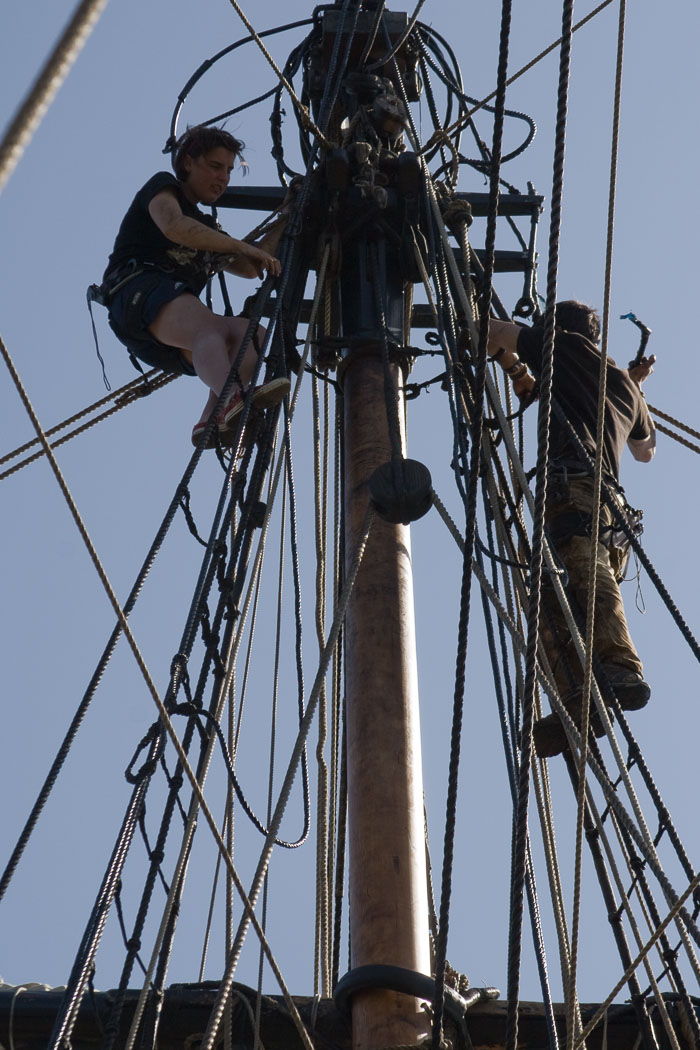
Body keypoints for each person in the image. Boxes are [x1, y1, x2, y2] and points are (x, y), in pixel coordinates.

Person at [486, 301, 656, 756]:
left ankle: (620, 666)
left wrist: (474, 320)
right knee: (547, 592)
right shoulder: (621, 383)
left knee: (580, 570)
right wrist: (633, 388)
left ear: (555, 329)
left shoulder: (561, 346)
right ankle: (578, 698)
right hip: (613, 511)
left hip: (574, 487)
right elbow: (645, 451)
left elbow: (492, 331)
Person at [101, 124, 291, 448]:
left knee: (255, 338)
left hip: (169, 335)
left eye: (229, 170)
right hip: (136, 295)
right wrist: (241, 246)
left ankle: (211, 418)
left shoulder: (206, 229)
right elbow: (174, 226)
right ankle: (231, 399)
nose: (223, 179)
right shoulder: (164, 188)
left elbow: (249, 268)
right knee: (210, 329)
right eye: (215, 166)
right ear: (188, 163)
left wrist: (289, 214)